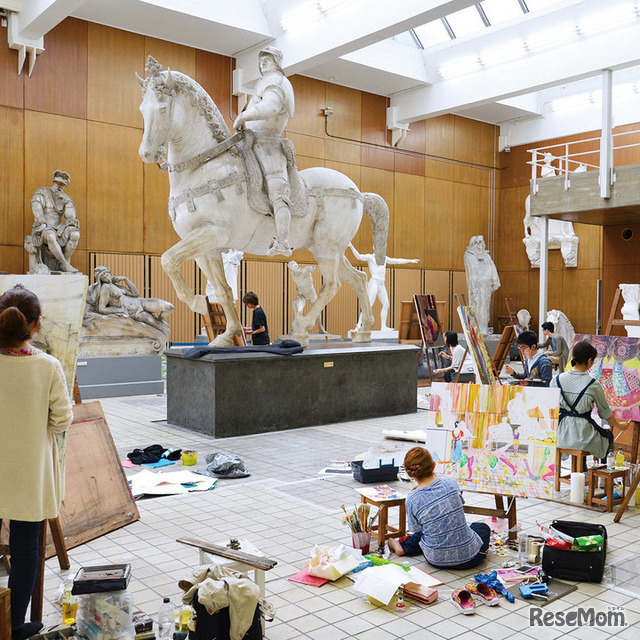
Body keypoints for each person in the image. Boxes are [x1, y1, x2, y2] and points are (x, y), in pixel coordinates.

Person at [0, 286, 73, 640]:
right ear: (36, 324)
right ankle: (14, 624)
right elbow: (61, 420)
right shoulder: (47, 366)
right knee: (26, 549)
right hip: (29, 469)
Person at [233, 47, 295, 257]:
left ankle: (283, 242)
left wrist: (243, 117)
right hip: (251, 140)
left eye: (267, 61)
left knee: (278, 190)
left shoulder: (277, 82)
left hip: (269, 143)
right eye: (261, 62)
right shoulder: (264, 83)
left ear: (277, 63)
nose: (262, 65)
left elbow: (268, 109)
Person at [387, 447, 490, 570]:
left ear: (409, 473)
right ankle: (404, 547)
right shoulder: (450, 482)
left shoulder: (412, 498)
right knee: (482, 528)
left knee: (426, 532)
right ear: (434, 465)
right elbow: (458, 506)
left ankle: (402, 546)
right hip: (470, 558)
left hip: (435, 559)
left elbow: (417, 530)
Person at [552, 340, 621, 459]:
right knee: (608, 437)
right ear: (589, 361)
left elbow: (550, 408)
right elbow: (605, 413)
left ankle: (580, 468)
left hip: (560, 434)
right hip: (582, 436)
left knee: (587, 436)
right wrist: (619, 425)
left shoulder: (556, 380)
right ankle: (601, 471)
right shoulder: (593, 385)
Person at [86, 266, 174, 338]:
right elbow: (102, 309)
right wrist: (119, 311)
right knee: (165, 329)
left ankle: (159, 320)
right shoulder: (105, 288)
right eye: (103, 275)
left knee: (169, 307)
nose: (107, 276)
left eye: (107, 273)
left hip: (140, 303)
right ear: (99, 278)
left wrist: (125, 279)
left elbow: (135, 294)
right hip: (135, 314)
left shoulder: (114, 286)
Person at [348, 244, 419, 331]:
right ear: (374, 248)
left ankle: (383, 326)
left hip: (381, 284)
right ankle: (358, 326)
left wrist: (410, 261)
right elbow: (359, 256)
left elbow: (397, 261)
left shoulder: (384, 258)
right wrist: (351, 246)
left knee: (386, 305)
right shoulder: (370, 257)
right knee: (368, 305)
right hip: (374, 282)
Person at [25, 170, 80, 274]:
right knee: (50, 236)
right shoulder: (42, 192)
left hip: (59, 227)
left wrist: (67, 201)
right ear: (54, 181)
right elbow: (36, 207)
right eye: (58, 183)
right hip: (44, 226)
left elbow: (70, 216)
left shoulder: (64, 197)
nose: (59, 186)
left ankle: (62, 264)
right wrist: (42, 221)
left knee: (75, 234)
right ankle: (64, 263)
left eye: (62, 184)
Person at [463, 235, 500, 336]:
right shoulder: (469, 255)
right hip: (476, 287)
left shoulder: (486, 256)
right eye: (477, 242)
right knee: (477, 305)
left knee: (484, 307)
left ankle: (483, 327)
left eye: (481, 242)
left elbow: (492, 268)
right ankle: (476, 327)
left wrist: (492, 279)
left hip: (485, 286)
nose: (480, 245)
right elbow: (473, 271)